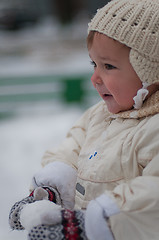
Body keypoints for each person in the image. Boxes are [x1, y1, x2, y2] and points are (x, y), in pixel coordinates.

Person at [9, 0, 159, 239]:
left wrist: (94, 224)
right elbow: (72, 150)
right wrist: (51, 190)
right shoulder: (100, 115)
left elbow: (154, 198)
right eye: (94, 64)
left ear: (151, 72)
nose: (95, 78)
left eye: (108, 66)